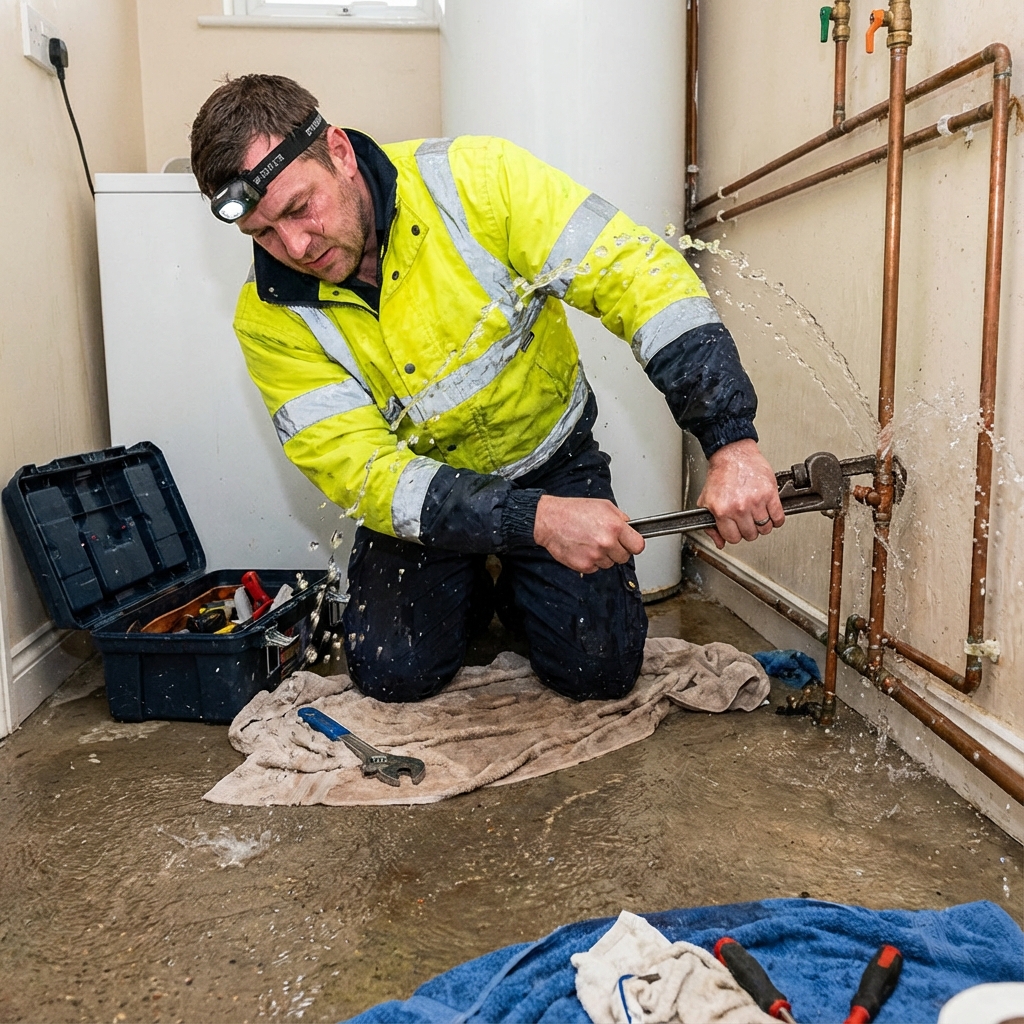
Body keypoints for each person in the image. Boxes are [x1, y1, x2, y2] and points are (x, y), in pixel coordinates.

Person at [189, 75, 784, 704]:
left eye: (298, 208)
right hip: (429, 503)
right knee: (392, 674)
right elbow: (361, 470)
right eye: (262, 234)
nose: (295, 246)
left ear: (338, 151)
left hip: (551, 460)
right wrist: (529, 522)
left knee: (598, 672)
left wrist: (729, 441)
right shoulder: (268, 318)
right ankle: (470, 581)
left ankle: (523, 589)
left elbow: (640, 279)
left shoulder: (475, 180)